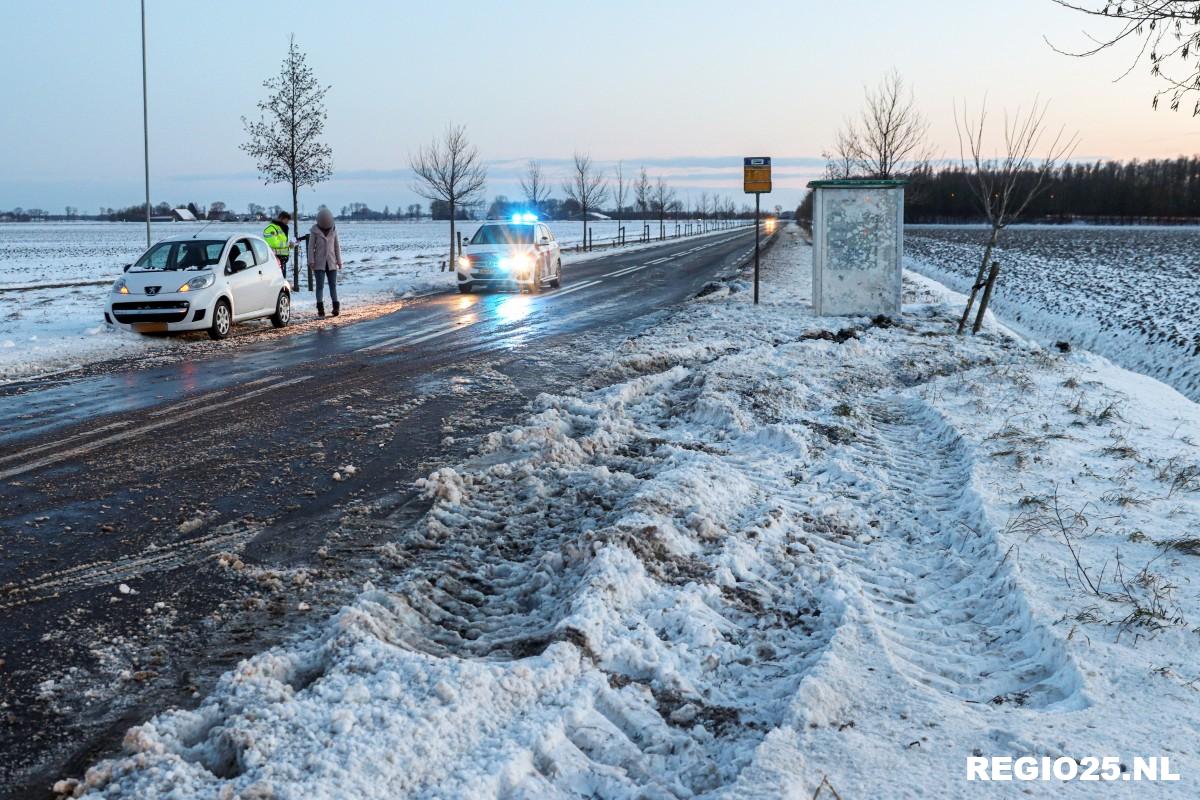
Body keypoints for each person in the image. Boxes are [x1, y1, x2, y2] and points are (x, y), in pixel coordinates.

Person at [307, 208, 342, 318]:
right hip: (319, 263)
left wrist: (339, 261)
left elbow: (337, 247)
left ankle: (336, 307)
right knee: (320, 286)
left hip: (331, 262)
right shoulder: (314, 231)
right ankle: (320, 309)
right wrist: (311, 261)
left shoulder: (334, 230)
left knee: (333, 286)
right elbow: (311, 247)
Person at [263, 211, 293, 278]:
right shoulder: (271, 229)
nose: (287, 222)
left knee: (282, 279)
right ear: (281, 218)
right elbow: (274, 243)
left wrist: (291, 245)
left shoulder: (282, 228)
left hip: (282, 259)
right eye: (286, 220)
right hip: (275, 258)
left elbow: (283, 242)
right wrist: (287, 244)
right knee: (277, 280)